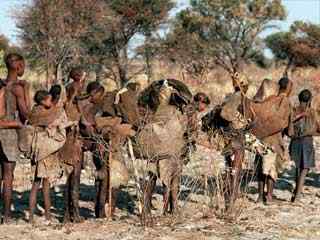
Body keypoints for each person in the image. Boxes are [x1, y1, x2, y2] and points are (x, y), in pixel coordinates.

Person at [28, 89, 68, 223]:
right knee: (45, 184)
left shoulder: (34, 112)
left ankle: (31, 218)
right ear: (43, 101)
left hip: (36, 150)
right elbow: (58, 124)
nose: (52, 102)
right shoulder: (52, 113)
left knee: (35, 184)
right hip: (46, 150)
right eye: (49, 100)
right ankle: (48, 216)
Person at [0, 53, 30, 223]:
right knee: (8, 175)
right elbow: (26, 115)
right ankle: (7, 216)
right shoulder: (18, 88)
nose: (24, 69)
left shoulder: (1, 84)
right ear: (18, 66)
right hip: (9, 134)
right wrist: (26, 91)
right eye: (23, 65)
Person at [60, 67, 87, 223]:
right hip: (74, 140)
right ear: (79, 78)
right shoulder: (75, 96)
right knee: (74, 177)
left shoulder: (68, 90)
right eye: (83, 78)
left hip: (67, 139)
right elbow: (82, 119)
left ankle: (66, 214)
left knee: (69, 176)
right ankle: (74, 214)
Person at [290, 89, 319, 203]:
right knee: (304, 168)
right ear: (310, 100)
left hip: (294, 142)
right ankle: (297, 196)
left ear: (299, 98)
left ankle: (295, 193)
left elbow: (289, 128)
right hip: (306, 142)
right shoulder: (312, 112)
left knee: (298, 166)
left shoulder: (294, 110)